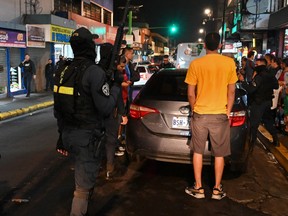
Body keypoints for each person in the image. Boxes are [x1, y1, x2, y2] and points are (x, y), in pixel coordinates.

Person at [53, 27, 121, 216]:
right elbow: (106, 108)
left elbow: (57, 109)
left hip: (67, 134)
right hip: (86, 137)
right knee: (82, 189)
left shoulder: (62, 69)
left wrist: (61, 136)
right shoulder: (93, 72)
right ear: (89, 47)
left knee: (84, 177)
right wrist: (115, 87)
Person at [184, 32, 238, 200]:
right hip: (220, 114)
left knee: (198, 152)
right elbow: (232, 91)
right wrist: (228, 110)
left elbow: (191, 93)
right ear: (220, 45)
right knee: (219, 153)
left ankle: (198, 188)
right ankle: (216, 189)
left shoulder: (196, 64)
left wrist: (194, 109)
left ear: (204, 46)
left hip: (200, 113)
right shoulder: (229, 63)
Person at [238, 58, 280, 148]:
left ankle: (251, 143)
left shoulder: (260, 76)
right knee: (268, 121)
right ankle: (276, 139)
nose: (255, 66)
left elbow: (251, 89)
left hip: (258, 103)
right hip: (268, 102)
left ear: (262, 65)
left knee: (254, 124)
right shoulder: (270, 75)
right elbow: (276, 86)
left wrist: (243, 81)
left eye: (257, 65)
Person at [104, 55, 129, 180]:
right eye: (121, 66)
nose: (122, 69)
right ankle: (109, 168)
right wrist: (123, 114)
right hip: (111, 113)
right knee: (110, 141)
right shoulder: (115, 77)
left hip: (100, 112)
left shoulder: (100, 73)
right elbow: (118, 97)